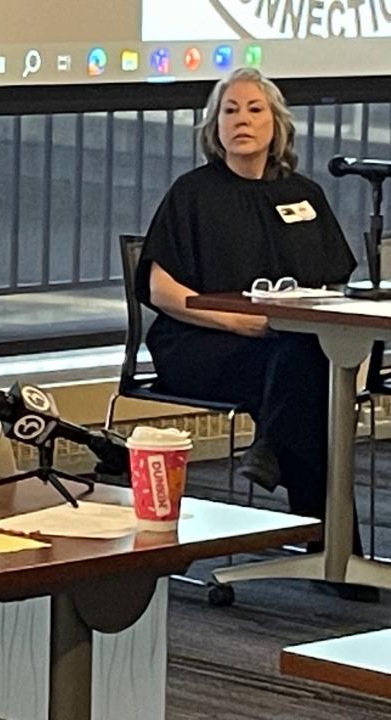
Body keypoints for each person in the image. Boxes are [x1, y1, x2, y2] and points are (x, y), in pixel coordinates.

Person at [136, 68, 359, 547]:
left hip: (288, 345)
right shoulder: (193, 193)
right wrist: (233, 322)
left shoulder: (304, 194)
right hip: (201, 342)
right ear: (213, 127)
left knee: (306, 367)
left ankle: (276, 455)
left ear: (276, 123)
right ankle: (335, 547)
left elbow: (335, 279)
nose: (242, 120)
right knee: (310, 379)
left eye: (254, 109)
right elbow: (160, 290)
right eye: (229, 111)